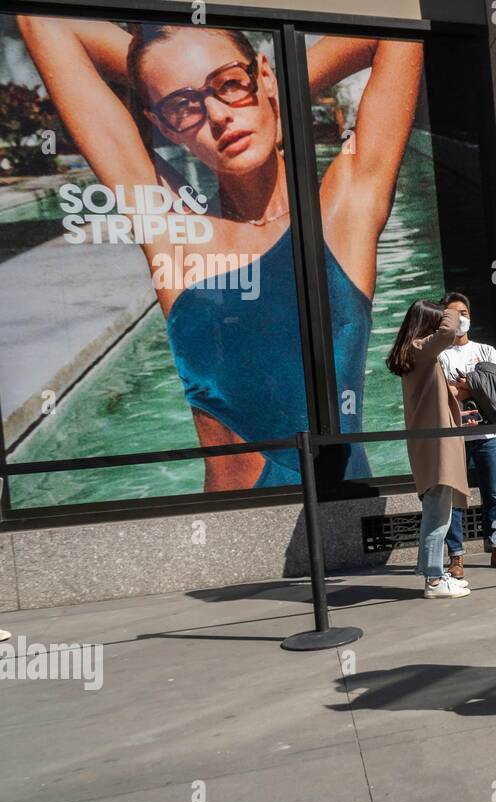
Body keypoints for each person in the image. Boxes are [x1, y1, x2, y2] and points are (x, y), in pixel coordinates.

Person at [17, 18, 423, 489]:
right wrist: (175, 77)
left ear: (266, 77)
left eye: (230, 85)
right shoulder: (172, 229)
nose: (217, 116)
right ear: (165, 125)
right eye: (182, 108)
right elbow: (43, 22)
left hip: (346, 509)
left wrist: (260, 91)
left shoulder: (343, 214)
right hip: (235, 536)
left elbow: (393, 35)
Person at [386, 299, 471, 600]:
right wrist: (451, 309)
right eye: (437, 320)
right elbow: (448, 332)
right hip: (435, 445)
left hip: (432, 441)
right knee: (438, 514)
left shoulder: (416, 353)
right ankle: (434, 580)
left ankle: (432, 572)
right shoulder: (420, 349)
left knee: (437, 511)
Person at [437, 294, 496, 577]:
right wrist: (482, 386)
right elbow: (443, 394)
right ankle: (456, 556)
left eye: (463, 312)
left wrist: (468, 387)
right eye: (453, 314)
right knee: (456, 498)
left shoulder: (486, 351)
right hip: (455, 438)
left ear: (470, 315)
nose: (460, 318)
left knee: (493, 494)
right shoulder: (440, 355)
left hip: (488, 436)